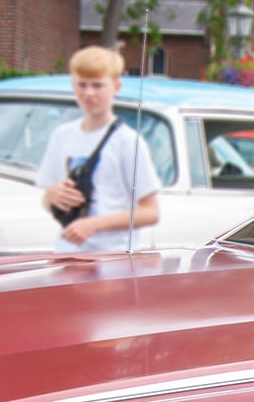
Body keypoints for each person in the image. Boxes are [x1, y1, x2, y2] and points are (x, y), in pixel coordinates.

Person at [36, 45, 161, 252]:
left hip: (111, 260)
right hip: (66, 255)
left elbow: (150, 212)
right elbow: (48, 201)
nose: (89, 93)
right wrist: (51, 196)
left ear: (116, 87)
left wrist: (94, 225)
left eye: (98, 85)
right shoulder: (61, 136)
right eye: (82, 85)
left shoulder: (127, 142)